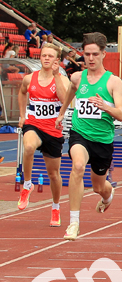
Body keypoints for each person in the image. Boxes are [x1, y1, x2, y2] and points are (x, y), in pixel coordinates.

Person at [55, 32, 122, 241]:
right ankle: (74, 222)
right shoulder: (77, 77)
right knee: (77, 165)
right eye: (87, 54)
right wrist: (62, 112)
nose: (91, 58)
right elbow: (71, 91)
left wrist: (105, 106)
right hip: (80, 133)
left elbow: (120, 114)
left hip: (102, 140)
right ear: (82, 55)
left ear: (104, 54)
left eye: (95, 54)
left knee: (98, 187)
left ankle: (108, 194)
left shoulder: (114, 82)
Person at [16, 44, 70, 224]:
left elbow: (64, 100)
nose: (46, 58)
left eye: (50, 56)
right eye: (43, 55)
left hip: (53, 130)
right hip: (34, 124)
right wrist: (23, 116)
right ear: (40, 58)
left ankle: (55, 207)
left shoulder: (63, 79)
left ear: (57, 60)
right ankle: (28, 184)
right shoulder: (29, 78)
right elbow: (22, 93)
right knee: (29, 146)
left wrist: (56, 76)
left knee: (54, 174)